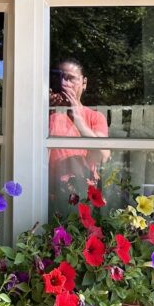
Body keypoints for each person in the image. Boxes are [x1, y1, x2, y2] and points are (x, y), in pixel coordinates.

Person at [48, 57, 110, 210]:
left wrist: (77, 119)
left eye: (70, 78)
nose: (64, 84)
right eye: (60, 78)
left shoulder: (94, 117)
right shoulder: (47, 115)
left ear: (84, 83)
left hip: (85, 196)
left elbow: (104, 155)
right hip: (50, 195)